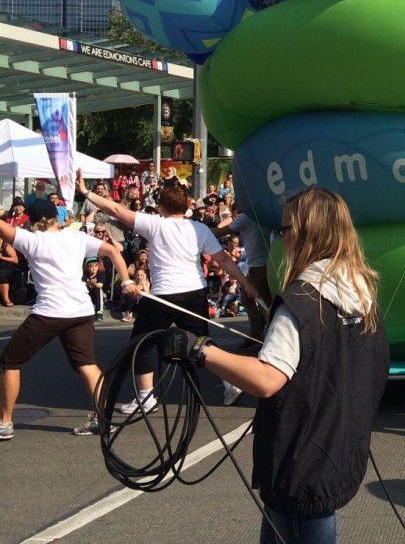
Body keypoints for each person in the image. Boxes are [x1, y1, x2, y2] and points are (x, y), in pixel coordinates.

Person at [161, 186, 389, 544]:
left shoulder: (301, 302)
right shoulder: (361, 291)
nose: (280, 238)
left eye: (284, 229)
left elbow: (267, 378)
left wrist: (200, 350)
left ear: (306, 234)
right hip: (336, 447)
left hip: (302, 462)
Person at [76, 171, 261, 415]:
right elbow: (224, 260)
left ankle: (146, 396)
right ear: (186, 207)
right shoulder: (199, 229)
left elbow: (117, 210)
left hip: (163, 295)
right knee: (203, 345)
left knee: (141, 344)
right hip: (194, 292)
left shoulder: (155, 223)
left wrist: (86, 192)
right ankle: (230, 382)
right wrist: (246, 285)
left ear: (161, 206)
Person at [0, 215, 136, 440]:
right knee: (87, 364)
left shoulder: (32, 240)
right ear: (56, 219)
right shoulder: (77, 237)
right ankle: (102, 419)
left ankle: (4, 422)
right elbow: (113, 251)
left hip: (50, 312)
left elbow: (4, 229)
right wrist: (126, 281)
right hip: (81, 310)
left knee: (10, 362)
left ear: (35, 221)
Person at [211, 202, 272, 343]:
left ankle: (264, 335)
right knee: (257, 299)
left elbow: (220, 231)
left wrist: (200, 229)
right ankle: (257, 333)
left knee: (260, 302)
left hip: (257, 266)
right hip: (267, 264)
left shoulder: (244, 218)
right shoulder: (263, 215)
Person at [0, 234, 19, 307]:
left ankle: (6, 299)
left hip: (9, 266)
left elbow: (15, 260)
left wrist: (2, 258)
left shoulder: (6, 245)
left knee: (1, 275)